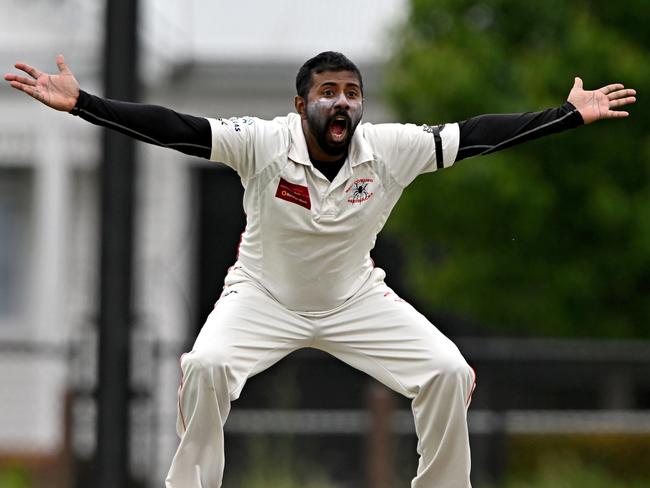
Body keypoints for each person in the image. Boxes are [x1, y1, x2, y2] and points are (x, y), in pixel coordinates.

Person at [4, 51, 636, 488]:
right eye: (328, 92)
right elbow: (177, 128)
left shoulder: (388, 149)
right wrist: (83, 102)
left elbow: (473, 135)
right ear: (300, 102)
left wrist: (567, 115)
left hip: (355, 298)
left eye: (352, 94)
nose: (342, 103)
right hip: (262, 297)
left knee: (447, 371)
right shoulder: (260, 141)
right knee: (205, 367)